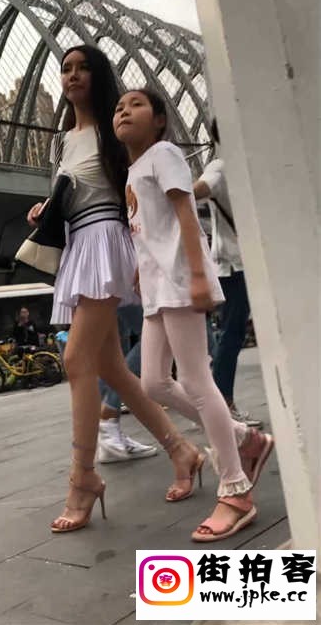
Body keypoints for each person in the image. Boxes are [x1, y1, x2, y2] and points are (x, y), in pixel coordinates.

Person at [27, 45, 206, 535]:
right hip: (79, 244)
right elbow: (75, 191)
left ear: (98, 76)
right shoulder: (63, 140)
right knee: (110, 367)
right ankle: (182, 450)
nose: (73, 75)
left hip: (108, 241)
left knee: (76, 359)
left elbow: (139, 188)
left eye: (83, 68)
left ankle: (83, 477)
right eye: (66, 69)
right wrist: (46, 209)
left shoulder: (114, 129)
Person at [113, 88, 274, 541]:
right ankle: (243, 437)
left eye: (136, 105)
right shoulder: (133, 170)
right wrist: (140, 271)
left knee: (197, 381)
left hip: (180, 279)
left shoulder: (164, 154)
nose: (124, 111)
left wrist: (199, 276)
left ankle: (236, 490)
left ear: (160, 121)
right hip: (157, 287)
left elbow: (185, 213)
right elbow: (149, 231)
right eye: (119, 107)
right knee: (152, 383)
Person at [193, 119, 261, 427]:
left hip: (243, 262)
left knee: (232, 332)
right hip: (234, 264)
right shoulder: (221, 166)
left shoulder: (243, 165)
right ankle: (222, 402)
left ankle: (218, 401)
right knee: (232, 333)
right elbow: (198, 189)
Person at [98, 304, 157, 462]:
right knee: (156, 330)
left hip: (103, 290)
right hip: (118, 289)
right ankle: (108, 419)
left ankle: (108, 433)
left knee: (113, 342)